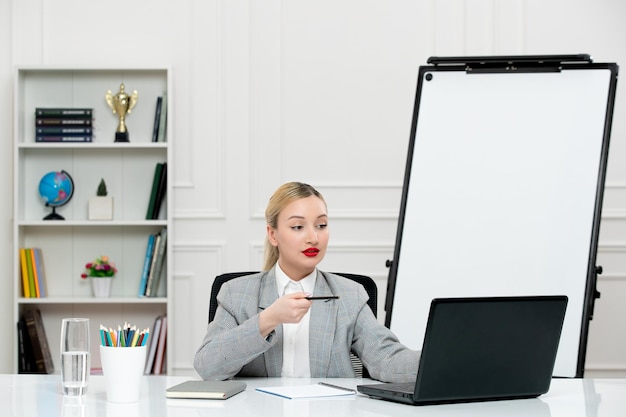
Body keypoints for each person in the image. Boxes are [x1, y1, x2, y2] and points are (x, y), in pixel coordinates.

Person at [194, 182, 419, 382]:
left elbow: (387, 360)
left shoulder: (351, 295)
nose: (313, 237)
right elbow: (208, 367)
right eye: (298, 227)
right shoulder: (236, 293)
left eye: (321, 225)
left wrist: (443, 359)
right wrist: (269, 319)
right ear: (273, 235)